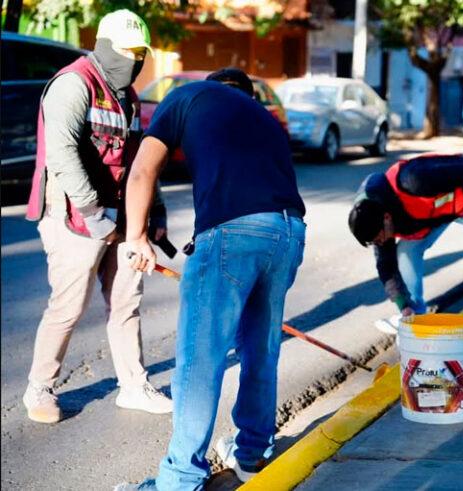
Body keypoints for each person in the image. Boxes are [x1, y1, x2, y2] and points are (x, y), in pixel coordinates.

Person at [116, 68, 306, 490]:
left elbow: (143, 170)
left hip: (234, 233)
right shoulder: (265, 117)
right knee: (260, 349)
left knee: (201, 360)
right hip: (290, 232)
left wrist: (135, 238)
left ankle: (180, 480)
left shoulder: (185, 96)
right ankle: (252, 456)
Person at [22, 9, 172, 424]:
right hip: (74, 214)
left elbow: (141, 161)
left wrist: (154, 211)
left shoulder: (127, 95)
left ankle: (134, 386)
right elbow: (62, 156)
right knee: (68, 306)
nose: (135, 61)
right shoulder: (72, 85)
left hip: (123, 214)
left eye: (141, 54)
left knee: (127, 300)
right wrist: (93, 213)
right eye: (127, 52)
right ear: (105, 47)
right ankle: (41, 388)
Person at [348, 154, 463, 335]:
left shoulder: (413, 180)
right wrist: (403, 305)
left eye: (379, 238)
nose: (380, 243)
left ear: (386, 218)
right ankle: (415, 315)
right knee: (405, 252)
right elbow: (386, 266)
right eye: (375, 242)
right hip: (431, 214)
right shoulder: (375, 221)